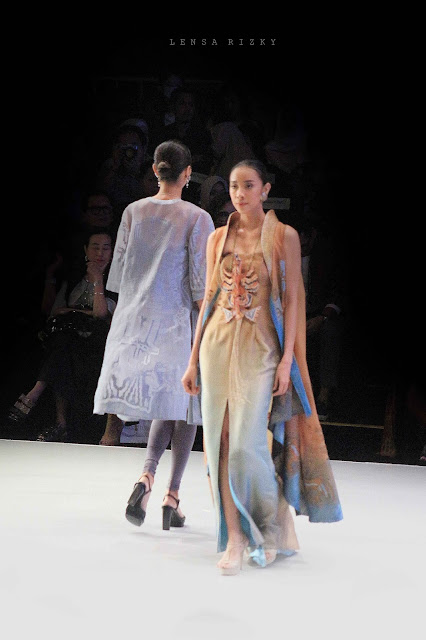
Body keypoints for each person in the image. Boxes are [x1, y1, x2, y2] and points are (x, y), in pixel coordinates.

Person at [182, 159, 342, 576]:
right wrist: (192, 358)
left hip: (262, 349)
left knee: (246, 445)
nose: (240, 193)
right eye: (235, 186)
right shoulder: (217, 238)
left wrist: (287, 359)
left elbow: (292, 301)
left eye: (248, 185)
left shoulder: (284, 236)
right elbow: (209, 299)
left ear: (266, 189)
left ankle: (269, 528)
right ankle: (235, 537)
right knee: (218, 443)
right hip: (216, 345)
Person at [93, 140, 214, 529]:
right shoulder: (197, 217)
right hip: (179, 324)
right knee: (186, 408)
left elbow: (119, 277)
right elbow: (201, 285)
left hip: (138, 323)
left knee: (169, 406)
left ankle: (147, 478)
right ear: (188, 173)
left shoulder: (133, 211)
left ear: (155, 169)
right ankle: (170, 495)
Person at [8, 229, 115, 443]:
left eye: (106, 248)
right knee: (63, 346)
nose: (100, 253)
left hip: (99, 342)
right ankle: (58, 421)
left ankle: (39, 399)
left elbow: (101, 314)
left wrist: (97, 281)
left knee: (63, 346)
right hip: (69, 341)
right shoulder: (74, 278)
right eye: (95, 247)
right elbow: (55, 312)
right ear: (86, 250)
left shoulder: (115, 282)